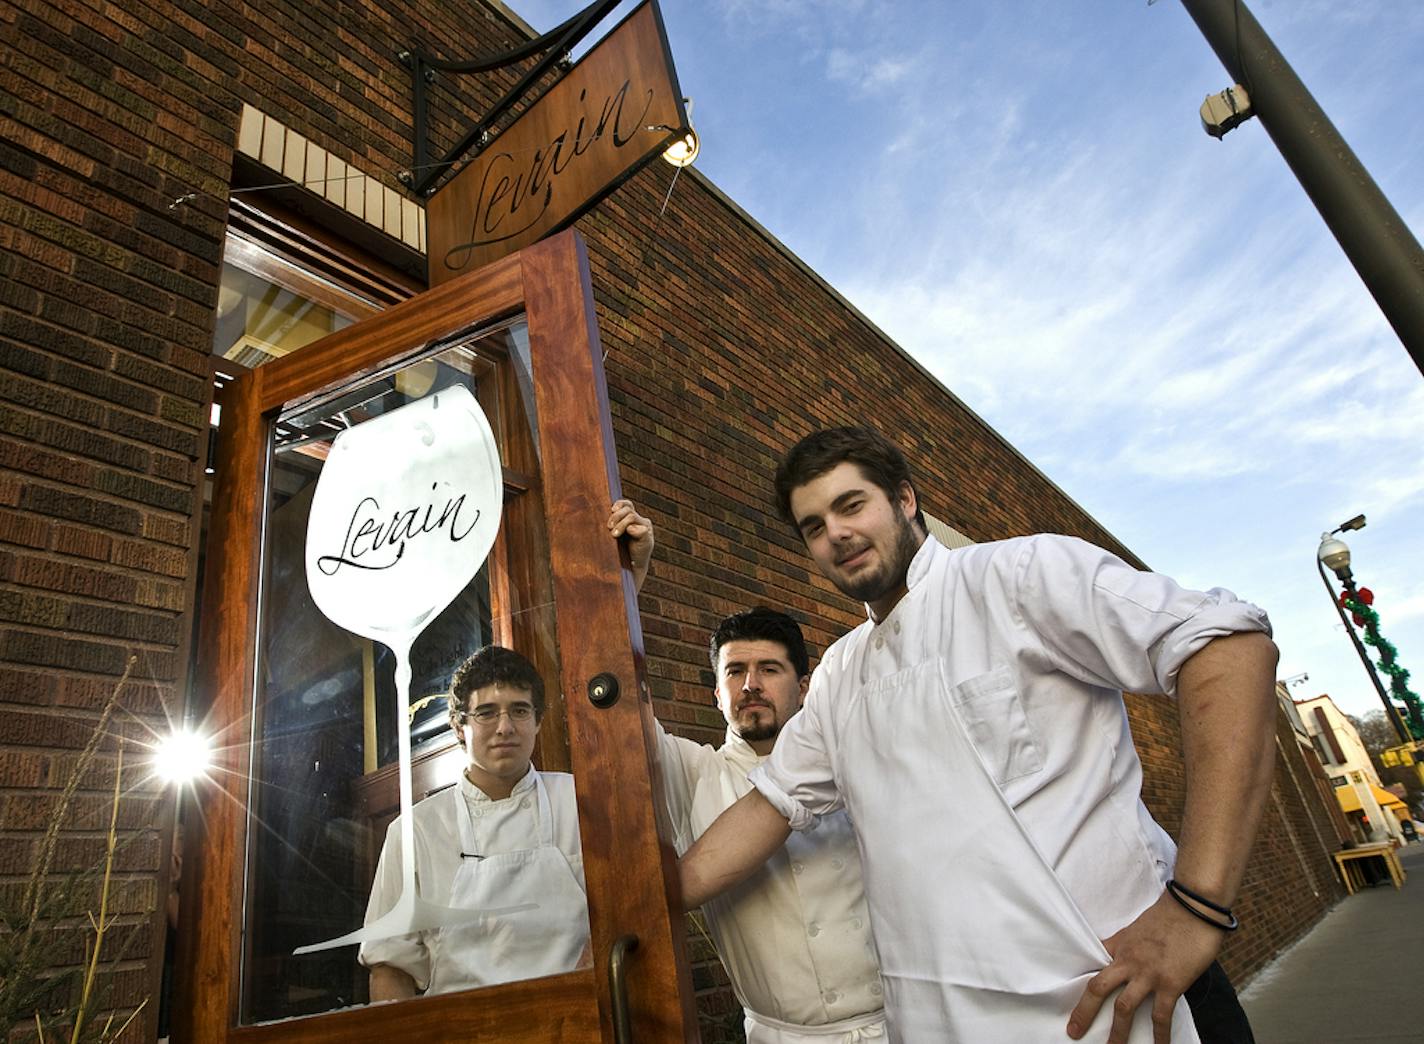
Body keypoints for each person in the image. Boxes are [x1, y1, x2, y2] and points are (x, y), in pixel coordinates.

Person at [678, 427, 1279, 1044]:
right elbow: (767, 805)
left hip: (1124, 1001)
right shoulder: (839, 673)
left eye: (851, 505)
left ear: (906, 499)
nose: (836, 533)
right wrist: (647, 903)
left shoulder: (1019, 574)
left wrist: (1199, 905)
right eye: (813, 526)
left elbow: (1227, 646)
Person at [608, 501, 887, 1043]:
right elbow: (617, 700)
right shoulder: (688, 771)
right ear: (716, 693)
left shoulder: (853, 756)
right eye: (735, 671)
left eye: (769, 669)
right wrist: (628, 581)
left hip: (899, 1025)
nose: (751, 685)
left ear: (803, 688)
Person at [359, 645, 589, 999]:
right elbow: (391, 969)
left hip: (581, 1018)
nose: (505, 727)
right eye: (486, 713)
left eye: (519, 710)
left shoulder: (580, 802)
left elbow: (622, 924)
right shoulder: (414, 832)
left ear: (539, 721)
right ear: (458, 727)